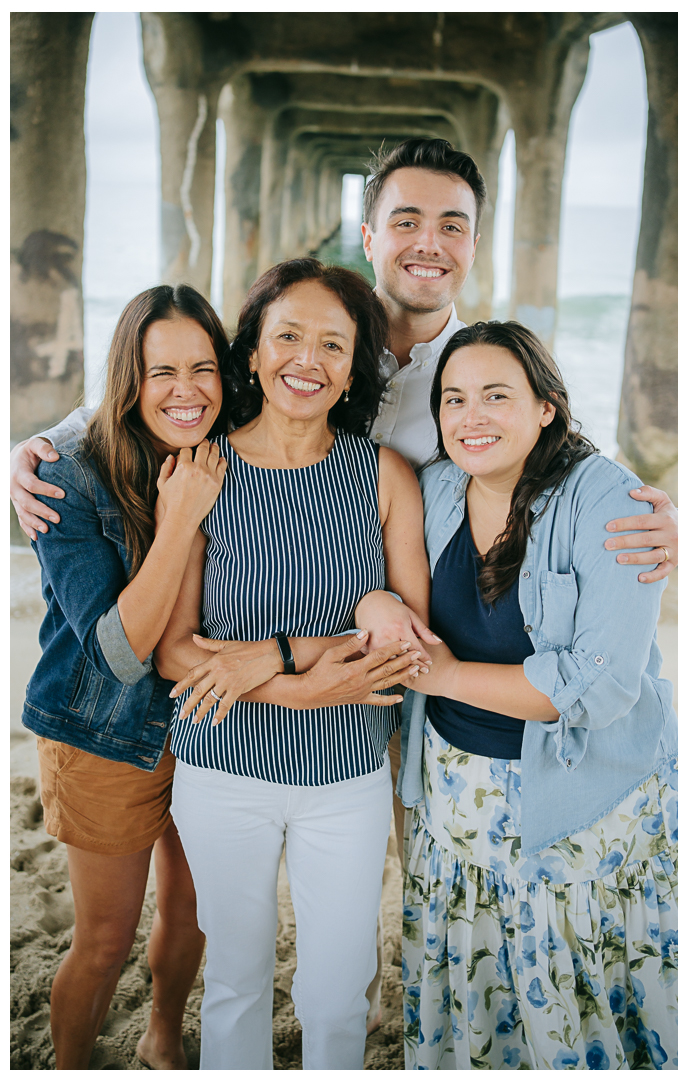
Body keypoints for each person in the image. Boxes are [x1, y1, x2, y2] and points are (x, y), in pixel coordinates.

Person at [10, 137, 678, 1029]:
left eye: (453, 225)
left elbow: (568, 458)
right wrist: (39, 445)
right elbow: (168, 374)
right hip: (271, 714)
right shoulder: (299, 353)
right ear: (368, 235)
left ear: (474, 246)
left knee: (397, 916)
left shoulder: (469, 370)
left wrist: (677, 528)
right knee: (224, 949)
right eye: (405, 219)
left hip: (404, 693)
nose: (428, 242)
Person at [388, 321, 678, 1069]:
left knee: (582, 986)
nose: (472, 417)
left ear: (547, 408)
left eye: (497, 395)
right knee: (484, 988)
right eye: (454, 399)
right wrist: (375, 606)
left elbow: (597, 685)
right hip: (457, 803)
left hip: (586, 805)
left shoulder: (608, 500)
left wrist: (447, 678)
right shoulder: (435, 487)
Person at [153, 258, 435, 1070]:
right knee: (236, 980)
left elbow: (406, 638)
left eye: (333, 346)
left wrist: (269, 663)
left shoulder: (383, 476)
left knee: (338, 987)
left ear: (352, 371)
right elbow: (176, 650)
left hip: (346, 780)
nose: (306, 360)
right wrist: (307, 690)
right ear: (251, 353)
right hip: (219, 770)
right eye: (287, 337)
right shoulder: (202, 470)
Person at [20, 284, 232, 1070]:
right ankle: (70, 1062)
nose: (186, 391)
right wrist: (179, 518)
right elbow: (116, 651)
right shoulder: (66, 477)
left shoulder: (232, 445)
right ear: (127, 376)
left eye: (204, 369)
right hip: (100, 726)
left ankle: (163, 1035)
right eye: (161, 371)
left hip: (210, 723)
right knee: (104, 938)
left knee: (194, 911)